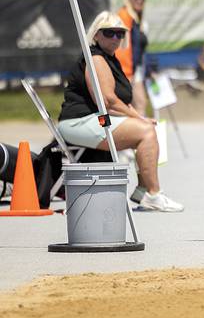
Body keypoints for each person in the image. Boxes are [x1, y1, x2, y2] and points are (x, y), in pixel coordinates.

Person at [56, 12, 183, 212]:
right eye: (109, 33)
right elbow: (108, 101)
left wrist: (141, 118)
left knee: (149, 127)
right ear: (96, 35)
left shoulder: (111, 60)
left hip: (96, 119)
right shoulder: (96, 58)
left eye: (119, 34)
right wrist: (138, 120)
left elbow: (121, 101)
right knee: (146, 132)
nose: (115, 38)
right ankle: (153, 193)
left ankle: (143, 192)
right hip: (78, 122)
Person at [116, 0, 149, 116]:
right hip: (126, 70)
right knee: (135, 104)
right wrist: (127, 72)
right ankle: (140, 133)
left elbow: (140, 49)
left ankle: (139, 132)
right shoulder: (124, 16)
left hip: (136, 69)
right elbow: (122, 46)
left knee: (138, 104)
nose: (139, 1)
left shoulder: (137, 18)